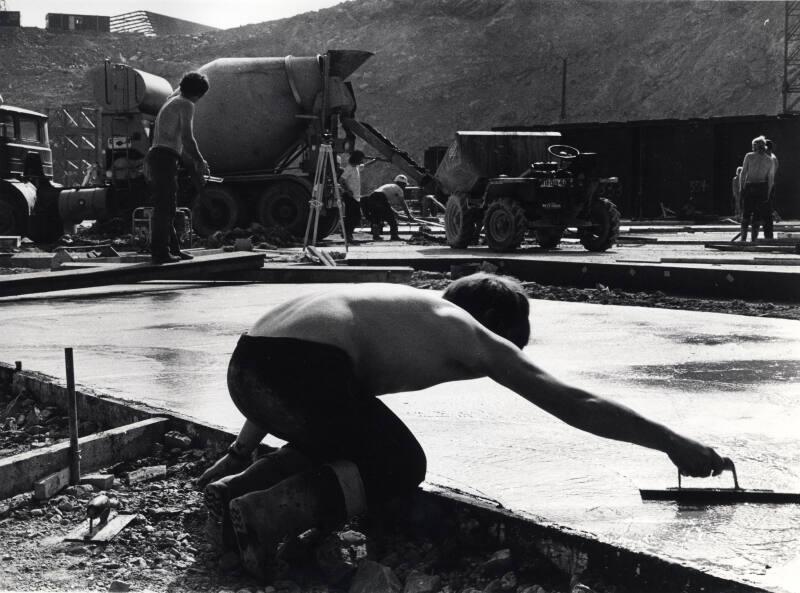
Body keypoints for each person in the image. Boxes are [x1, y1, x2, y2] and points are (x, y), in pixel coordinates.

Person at [197, 273, 727, 581]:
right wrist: (671, 442)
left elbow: (283, 376)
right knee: (401, 463)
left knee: (355, 434)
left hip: (247, 364)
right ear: (497, 327)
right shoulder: (469, 332)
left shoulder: (403, 307)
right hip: (300, 367)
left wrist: (243, 451)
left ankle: (237, 494)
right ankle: (264, 517)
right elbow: (575, 401)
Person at [144, 71, 210, 264]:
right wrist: (200, 160)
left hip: (160, 156)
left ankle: (172, 249)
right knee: (165, 207)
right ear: (199, 95)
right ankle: (160, 253)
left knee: (167, 206)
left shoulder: (172, 101)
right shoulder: (186, 104)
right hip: (164, 157)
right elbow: (187, 138)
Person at [738, 135, 774, 242]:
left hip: (750, 186)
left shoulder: (749, 156)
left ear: (754, 146)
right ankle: (753, 240)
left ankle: (743, 239)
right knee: (756, 215)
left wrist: (741, 188)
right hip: (761, 188)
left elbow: (743, 173)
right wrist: (767, 192)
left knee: (746, 213)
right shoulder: (769, 160)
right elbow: (770, 179)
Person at [360, 174, 411, 241]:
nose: (405, 187)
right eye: (405, 185)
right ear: (403, 184)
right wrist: (409, 215)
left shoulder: (388, 186)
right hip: (380, 198)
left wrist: (395, 212)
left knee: (376, 218)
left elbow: (386, 204)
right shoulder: (399, 189)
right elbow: (403, 203)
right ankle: (394, 236)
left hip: (372, 197)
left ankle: (376, 236)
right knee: (391, 219)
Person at [338, 150, 366, 243]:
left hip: (356, 196)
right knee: (353, 216)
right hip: (350, 196)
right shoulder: (349, 168)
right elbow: (341, 180)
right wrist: (347, 190)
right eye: (361, 159)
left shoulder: (356, 167)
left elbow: (364, 165)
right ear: (357, 159)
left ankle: (347, 233)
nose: (362, 161)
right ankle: (347, 234)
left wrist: (375, 160)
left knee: (355, 216)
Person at [763, 139, 779, 240]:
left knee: (767, 211)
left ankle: (768, 236)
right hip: (769, 184)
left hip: (768, 185)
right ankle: (768, 235)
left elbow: (770, 175)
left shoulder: (771, 158)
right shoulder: (772, 157)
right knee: (766, 211)